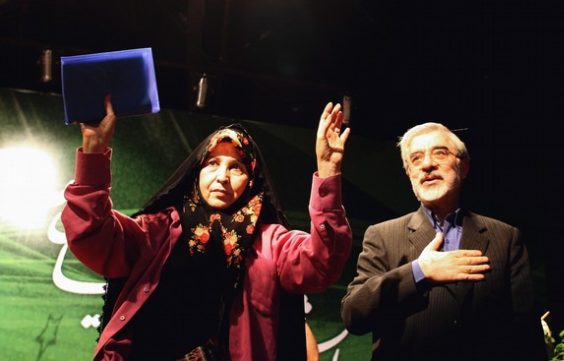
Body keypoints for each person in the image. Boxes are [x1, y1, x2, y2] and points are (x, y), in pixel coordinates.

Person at [61, 97, 352, 361]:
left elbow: (322, 262)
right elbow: (93, 236)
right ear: (196, 172)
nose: (222, 176)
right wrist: (94, 152)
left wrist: (328, 173)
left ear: (251, 181)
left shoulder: (272, 242)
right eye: (212, 163)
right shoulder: (158, 230)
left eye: (236, 167)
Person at [340, 122, 546, 360]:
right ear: (410, 174)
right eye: (416, 159)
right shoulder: (382, 235)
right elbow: (353, 315)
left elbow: (526, 335)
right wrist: (419, 271)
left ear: (464, 167)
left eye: (440, 153)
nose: (427, 165)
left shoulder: (505, 236)